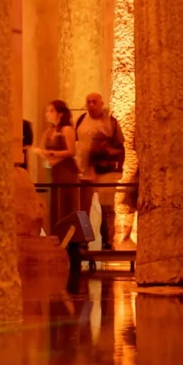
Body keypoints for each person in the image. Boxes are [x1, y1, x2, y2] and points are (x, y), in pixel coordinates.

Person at [76, 92, 126, 249]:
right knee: (83, 208)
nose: (91, 105)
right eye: (88, 101)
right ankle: (83, 239)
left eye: (94, 102)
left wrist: (116, 162)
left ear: (101, 103)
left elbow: (120, 147)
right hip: (85, 171)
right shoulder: (80, 121)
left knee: (107, 207)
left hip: (106, 170)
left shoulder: (111, 123)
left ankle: (108, 240)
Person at [41, 99, 81, 243]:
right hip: (55, 171)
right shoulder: (49, 131)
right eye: (47, 111)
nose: (48, 114)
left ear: (60, 114)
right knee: (56, 206)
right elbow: (44, 150)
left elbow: (71, 151)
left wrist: (52, 154)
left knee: (68, 205)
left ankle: (72, 241)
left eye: (51, 111)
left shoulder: (67, 130)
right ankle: (57, 239)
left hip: (67, 171)